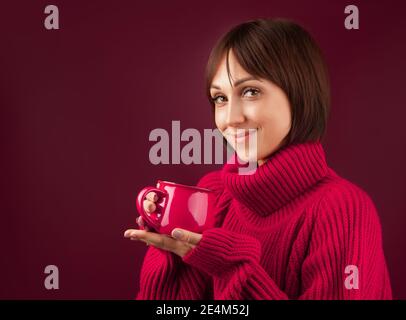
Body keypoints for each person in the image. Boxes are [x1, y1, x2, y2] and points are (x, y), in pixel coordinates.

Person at [124, 18, 392, 299]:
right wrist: (174, 252)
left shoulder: (343, 210)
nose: (230, 119)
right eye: (220, 98)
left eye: (250, 91)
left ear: (299, 94)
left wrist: (233, 268)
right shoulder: (214, 193)